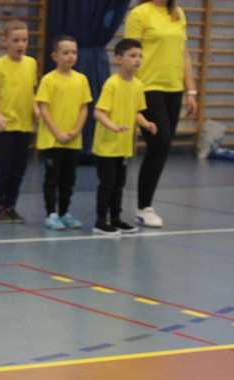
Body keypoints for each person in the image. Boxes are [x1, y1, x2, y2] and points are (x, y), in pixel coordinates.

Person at [124, 0, 198, 228]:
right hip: (147, 87)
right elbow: (129, 54)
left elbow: (184, 55)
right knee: (160, 142)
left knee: (161, 148)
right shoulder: (140, 14)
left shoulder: (178, 14)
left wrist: (191, 90)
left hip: (173, 88)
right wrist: (130, 89)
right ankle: (144, 207)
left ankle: (145, 205)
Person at [92, 38, 157, 236]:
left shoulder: (138, 85)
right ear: (119, 59)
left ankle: (116, 218)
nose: (138, 60)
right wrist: (113, 126)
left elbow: (136, 112)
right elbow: (99, 112)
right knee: (107, 184)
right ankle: (101, 221)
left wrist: (146, 123)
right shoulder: (112, 84)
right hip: (107, 145)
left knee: (119, 184)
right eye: (132, 56)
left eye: (140, 56)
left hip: (124, 145)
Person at [35, 35, 92, 231]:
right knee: (53, 178)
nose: (71, 56)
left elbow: (84, 108)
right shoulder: (49, 80)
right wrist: (58, 133)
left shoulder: (81, 79)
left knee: (69, 179)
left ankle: (64, 212)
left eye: (74, 52)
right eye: (66, 52)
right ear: (55, 56)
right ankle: (51, 213)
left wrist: (76, 130)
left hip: (73, 140)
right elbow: (43, 109)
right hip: (53, 140)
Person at [0, 19, 38, 223]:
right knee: (4, 169)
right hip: (5, 126)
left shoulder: (31, 64)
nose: (21, 44)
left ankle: (10, 206)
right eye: (16, 40)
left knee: (18, 170)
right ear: (5, 41)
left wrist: (35, 108)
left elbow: (30, 90)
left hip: (24, 125)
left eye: (24, 40)